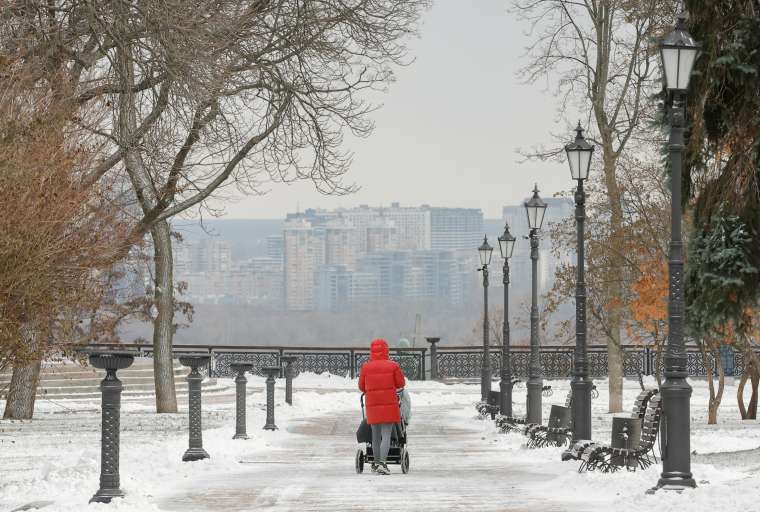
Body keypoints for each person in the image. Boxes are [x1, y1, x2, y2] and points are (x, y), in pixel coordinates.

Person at [358, 338, 405, 475]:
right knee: (386, 435)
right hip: (389, 404)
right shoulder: (393, 366)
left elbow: (361, 386)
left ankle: (376, 463)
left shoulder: (366, 367)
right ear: (386, 350)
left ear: (372, 351)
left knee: (375, 436)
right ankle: (383, 464)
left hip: (372, 405)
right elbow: (400, 383)